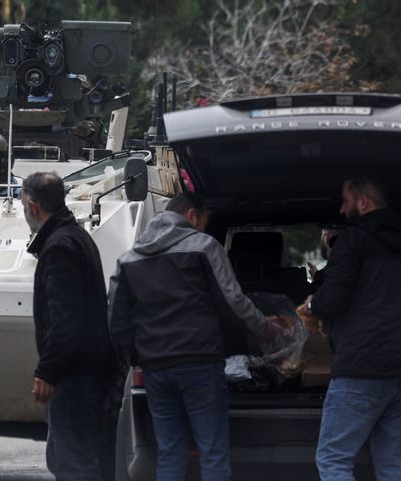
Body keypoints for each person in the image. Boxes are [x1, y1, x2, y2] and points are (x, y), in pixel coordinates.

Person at [108, 192, 275, 481]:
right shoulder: (204, 247)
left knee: (170, 453)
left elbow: (115, 319)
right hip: (200, 364)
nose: (203, 230)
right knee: (213, 453)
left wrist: (138, 354)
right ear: (192, 215)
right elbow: (233, 300)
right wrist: (263, 329)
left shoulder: (128, 260)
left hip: (156, 368)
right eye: (204, 223)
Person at [301, 176, 401, 481]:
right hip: (397, 367)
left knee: (333, 458)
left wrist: (311, 306)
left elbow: (332, 298)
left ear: (363, 202)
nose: (342, 211)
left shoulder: (354, 240)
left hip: (362, 365)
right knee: (392, 462)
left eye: (345, 202)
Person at [21, 172, 118, 480]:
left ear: (33, 207)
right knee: (67, 459)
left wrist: (48, 370)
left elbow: (65, 318)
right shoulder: (75, 236)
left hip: (74, 376)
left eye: (23, 204)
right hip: (87, 370)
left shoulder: (59, 246)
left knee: (74, 463)